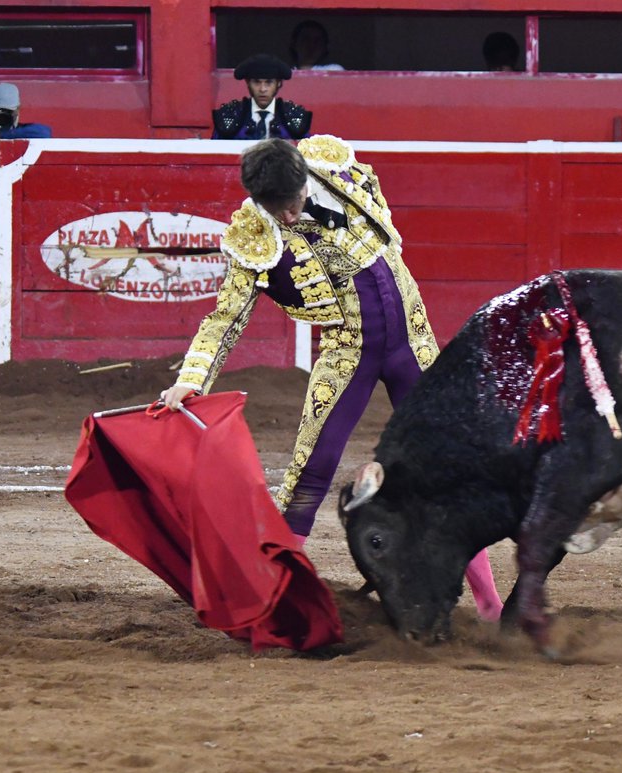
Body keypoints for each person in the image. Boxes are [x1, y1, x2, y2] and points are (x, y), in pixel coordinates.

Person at [160, 136, 503, 620]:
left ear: (305, 179)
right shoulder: (252, 235)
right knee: (309, 473)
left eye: (292, 203)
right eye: (273, 208)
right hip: (348, 355)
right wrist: (192, 379)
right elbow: (226, 317)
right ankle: (275, 602)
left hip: (413, 340)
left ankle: (490, 604)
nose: (285, 218)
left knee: (449, 469)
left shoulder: (336, 167)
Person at [212, 53, 313, 140]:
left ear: (278, 83)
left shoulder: (294, 118)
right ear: (247, 82)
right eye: (256, 82)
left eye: (269, 82)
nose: (262, 89)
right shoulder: (229, 117)